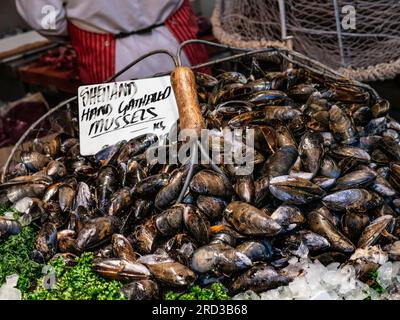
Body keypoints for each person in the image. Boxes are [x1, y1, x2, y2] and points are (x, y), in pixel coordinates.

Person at [16, 0, 208, 84]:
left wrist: (80, 31)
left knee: (128, 144)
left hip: (109, 48)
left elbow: (45, 19)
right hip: (173, 36)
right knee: (203, 120)